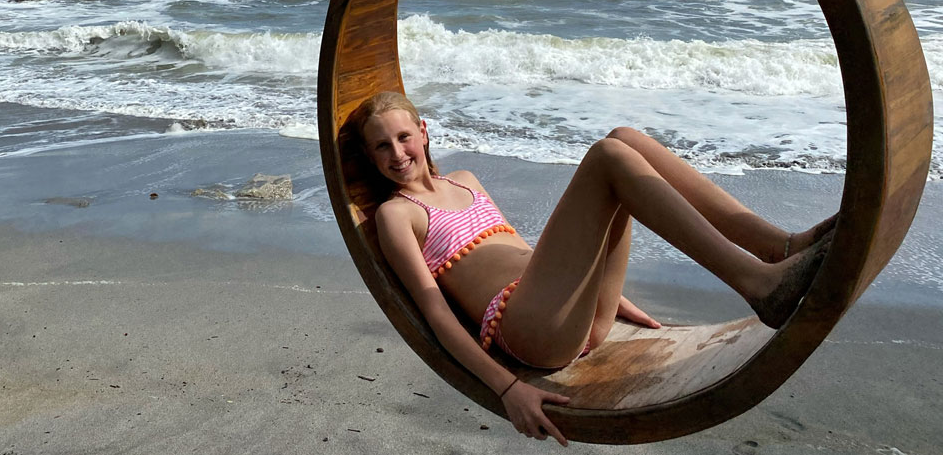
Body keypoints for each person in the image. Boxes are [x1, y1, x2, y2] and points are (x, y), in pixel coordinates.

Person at [342, 91, 834, 446]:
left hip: (569, 312)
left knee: (624, 138)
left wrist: (600, 289)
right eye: (381, 146)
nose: (397, 153)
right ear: (369, 156)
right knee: (607, 157)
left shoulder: (465, 180)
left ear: (423, 133)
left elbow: (522, 249)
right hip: (528, 329)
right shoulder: (397, 214)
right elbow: (434, 311)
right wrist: (507, 389)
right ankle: (758, 282)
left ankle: (778, 244)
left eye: (403, 136)